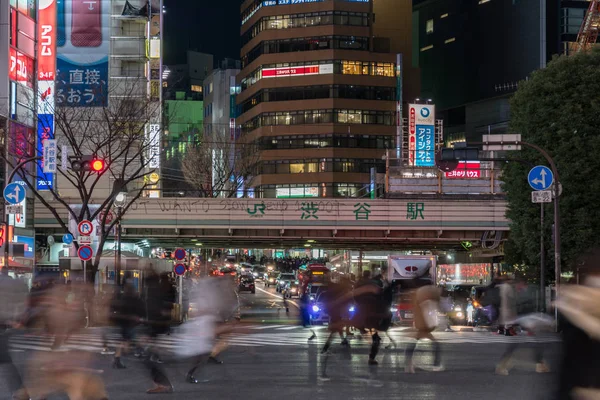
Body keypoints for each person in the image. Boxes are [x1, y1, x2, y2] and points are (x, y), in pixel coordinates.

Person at [0, 269, 29, 400]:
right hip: (9, 325)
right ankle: (20, 392)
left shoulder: (4, 284)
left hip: (4, 324)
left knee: (7, 362)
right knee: (9, 362)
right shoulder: (16, 284)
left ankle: (20, 392)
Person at [405, 285, 444, 373]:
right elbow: (429, 313)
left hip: (421, 325)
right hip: (425, 326)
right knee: (435, 344)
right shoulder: (428, 299)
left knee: (415, 341)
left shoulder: (418, 295)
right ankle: (436, 365)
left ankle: (409, 364)